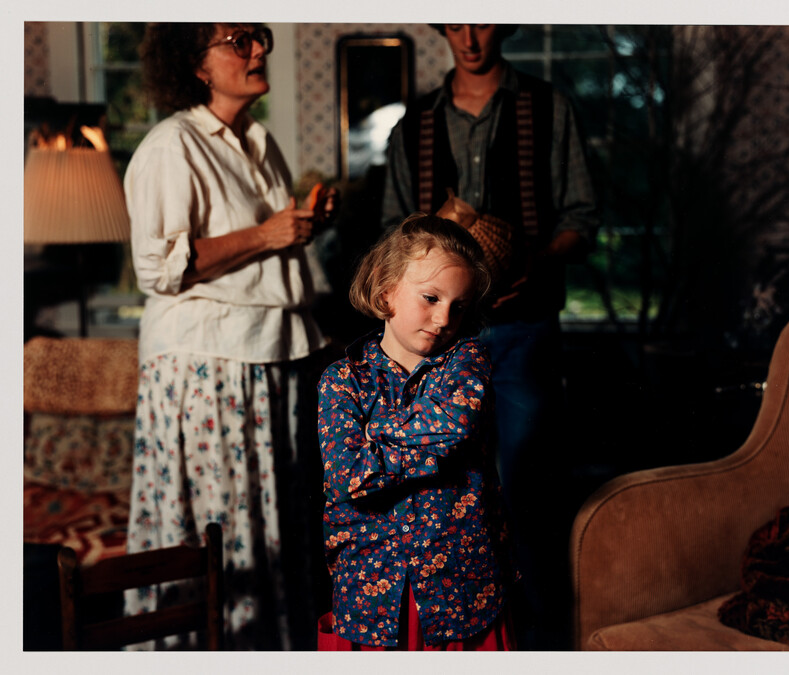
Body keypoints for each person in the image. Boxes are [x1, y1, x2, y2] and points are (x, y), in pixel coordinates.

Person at [381, 23, 599, 647]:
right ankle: (458, 641)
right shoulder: (415, 124)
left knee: (530, 494)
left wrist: (536, 257)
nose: (470, 35)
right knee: (442, 497)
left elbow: (583, 220)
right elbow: (391, 234)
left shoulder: (549, 109)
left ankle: (540, 643)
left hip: (523, 330)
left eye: (482, 18)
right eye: (454, 21)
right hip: (434, 345)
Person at [124, 23, 335, 650]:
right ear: (197, 65)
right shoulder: (172, 145)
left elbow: (264, 253)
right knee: (227, 528)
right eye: (238, 41)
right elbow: (159, 266)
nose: (258, 50)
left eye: (259, 36)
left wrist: (298, 230)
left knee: (273, 528)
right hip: (209, 363)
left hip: (272, 353)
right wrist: (267, 235)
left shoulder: (259, 142)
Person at [315, 214, 517, 650]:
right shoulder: (340, 380)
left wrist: (379, 432)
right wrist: (432, 448)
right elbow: (349, 476)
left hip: (462, 588)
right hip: (372, 590)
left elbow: (455, 425)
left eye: (458, 306)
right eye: (430, 297)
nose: (444, 318)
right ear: (386, 290)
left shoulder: (468, 360)